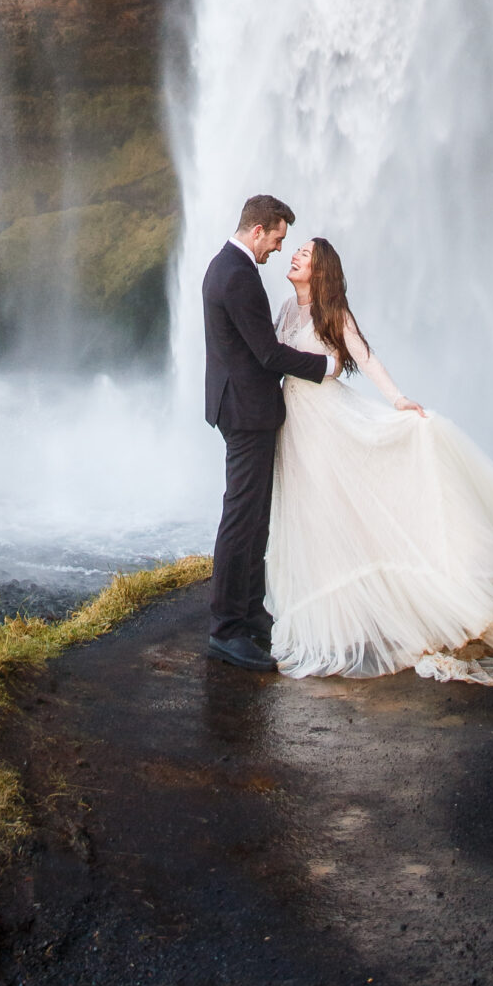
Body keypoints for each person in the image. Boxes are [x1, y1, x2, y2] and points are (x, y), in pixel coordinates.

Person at [265, 236, 493, 682]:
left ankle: (390, 602)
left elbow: (365, 358)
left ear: (321, 269)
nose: (295, 256)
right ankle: (336, 613)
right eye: (296, 251)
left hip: (329, 417)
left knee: (343, 502)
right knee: (312, 511)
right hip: (297, 424)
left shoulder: (334, 312)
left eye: (304, 253)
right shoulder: (287, 309)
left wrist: (399, 399)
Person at [201, 193, 330, 670]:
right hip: (246, 411)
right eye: (277, 239)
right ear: (258, 230)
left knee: (254, 517)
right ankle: (226, 629)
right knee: (240, 520)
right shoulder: (236, 275)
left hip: (241, 407)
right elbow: (269, 355)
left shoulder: (228, 268)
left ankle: (251, 612)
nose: (278, 249)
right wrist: (327, 365)